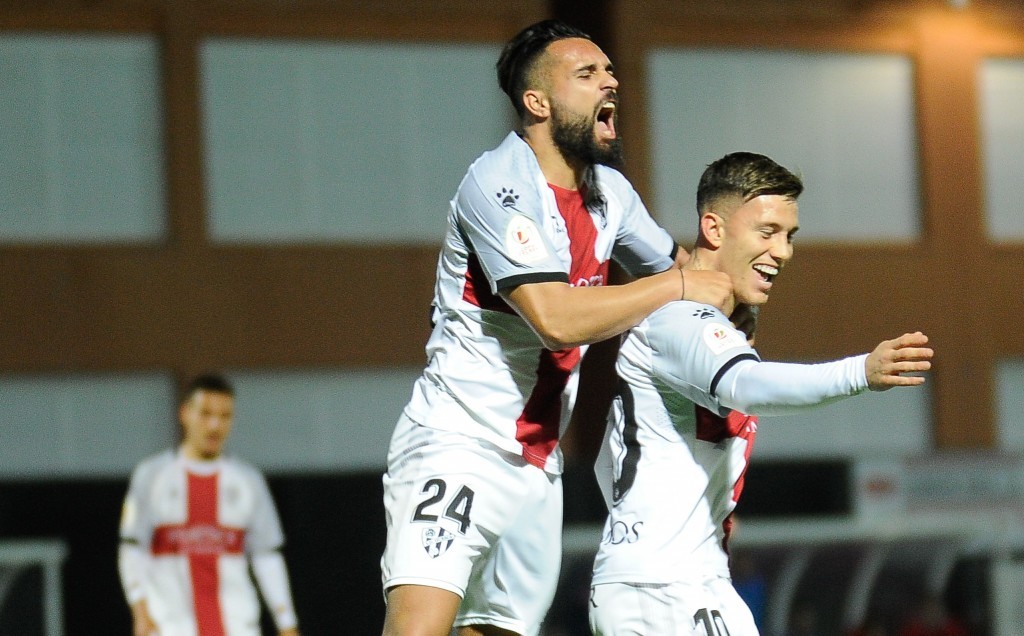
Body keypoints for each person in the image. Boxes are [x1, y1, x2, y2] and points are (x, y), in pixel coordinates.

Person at [379, 19, 734, 636]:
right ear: (536, 102)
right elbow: (557, 319)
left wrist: (745, 254)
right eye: (587, 74)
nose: (610, 82)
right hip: (456, 442)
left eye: (610, 71)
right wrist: (679, 285)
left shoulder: (610, 194)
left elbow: (687, 281)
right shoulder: (496, 183)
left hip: (539, 464)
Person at [588, 152, 934, 635]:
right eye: (767, 231)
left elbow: (612, 461)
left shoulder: (714, 324)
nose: (784, 250)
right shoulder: (680, 318)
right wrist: (860, 372)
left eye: (789, 235)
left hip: (688, 581)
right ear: (714, 228)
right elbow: (747, 387)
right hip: (660, 589)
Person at [118, 374, 300, 636]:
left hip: (237, 629)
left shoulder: (248, 481)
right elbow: (132, 548)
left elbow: (267, 555)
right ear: (184, 414)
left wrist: (287, 624)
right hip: (171, 629)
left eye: (225, 416)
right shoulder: (151, 475)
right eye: (205, 413)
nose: (215, 425)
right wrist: (140, 611)